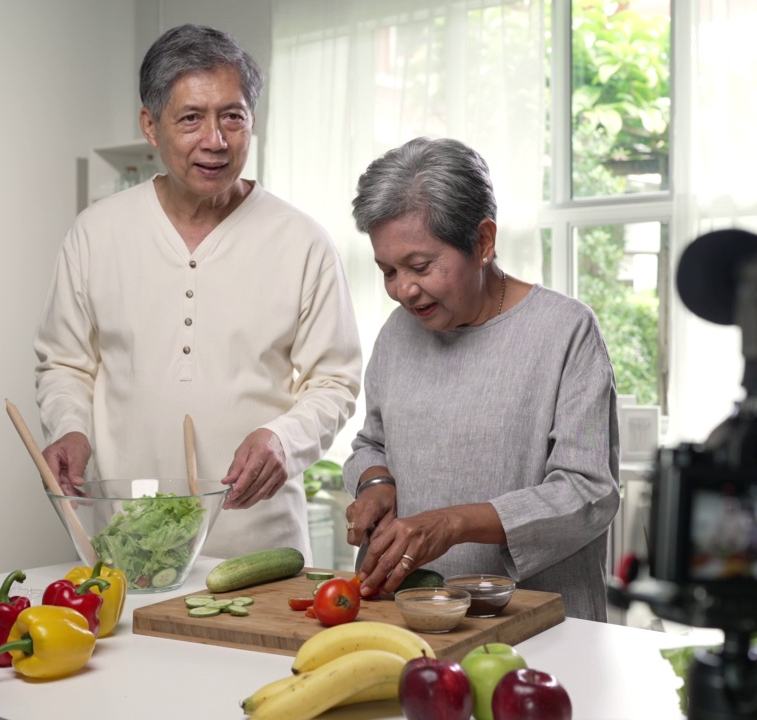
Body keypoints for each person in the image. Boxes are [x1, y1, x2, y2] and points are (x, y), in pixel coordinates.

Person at [33, 24, 362, 563]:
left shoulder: (303, 240)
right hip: (128, 537)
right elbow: (65, 364)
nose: (216, 139)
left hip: (258, 544)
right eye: (191, 118)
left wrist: (284, 438)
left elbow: (335, 380)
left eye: (233, 116)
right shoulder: (96, 233)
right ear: (150, 124)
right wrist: (69, 428)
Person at [343, 137, 620, 621]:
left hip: (533, 621)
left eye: (420, 266)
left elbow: (588, 492)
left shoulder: (565, 331)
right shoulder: (398, 332)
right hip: (406, 613)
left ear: (483, 241)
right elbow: (371, 443)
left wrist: (452, 524)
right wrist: (375, 482)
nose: (403, 290)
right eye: (387, 270)